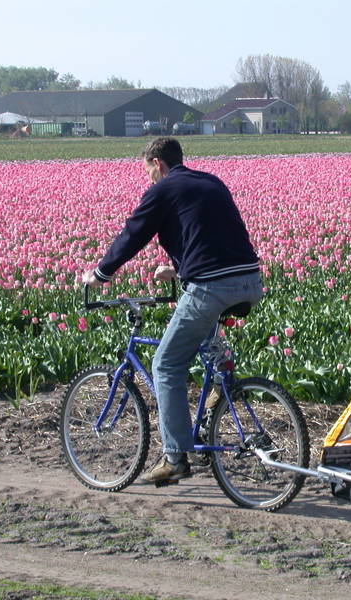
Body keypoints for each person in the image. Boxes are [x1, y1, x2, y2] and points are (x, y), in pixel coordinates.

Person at [82, 137, 263, 485]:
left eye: (148, 170)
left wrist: (101, 274)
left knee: (165, 363)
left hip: (213, 286)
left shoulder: (163, 189)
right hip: (250, 282)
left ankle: (175, 457)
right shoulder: (210, 182)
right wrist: (181, 271)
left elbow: (132, 234)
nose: (149, 178)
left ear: (158, 163)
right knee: (204, 334)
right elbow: (212, 238)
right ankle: (221, 385)